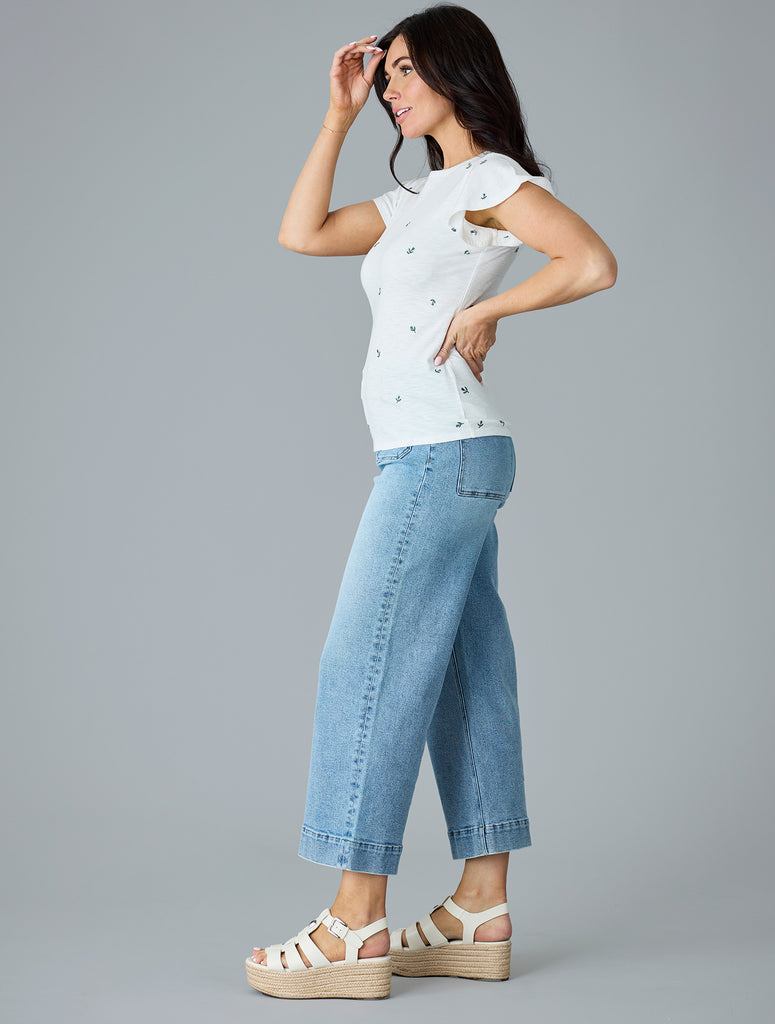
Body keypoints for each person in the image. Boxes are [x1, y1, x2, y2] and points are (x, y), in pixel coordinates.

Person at [246, 3, 617, 1000]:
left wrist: (491, 308)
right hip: (443, 457)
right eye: (388, 75)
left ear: (459, 72)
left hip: (436, 455)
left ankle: (353, 924)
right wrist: (336, 116)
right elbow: (301, 232)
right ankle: (478, 907)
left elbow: (591, 262)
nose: (393, 88)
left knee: (362, 663)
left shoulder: (493, 180)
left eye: (408, 70)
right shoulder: (421, 198)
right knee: (463, 673)